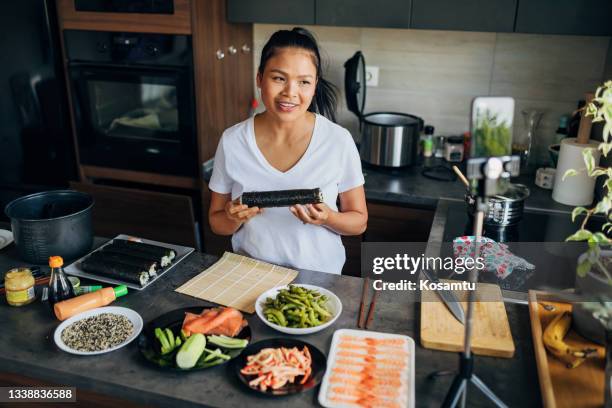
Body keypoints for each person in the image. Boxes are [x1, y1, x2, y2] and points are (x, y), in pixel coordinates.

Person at [208, 27, 367, 274]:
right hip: (250, 275)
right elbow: (217, 223)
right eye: (279, 78)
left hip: (319, 280)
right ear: (260, 79)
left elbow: (359, 222)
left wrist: (328, 218)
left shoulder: (338, 140)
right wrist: (232, 217)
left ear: (314, 86)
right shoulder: (232, 141)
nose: (290, 92)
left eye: (303, 82)